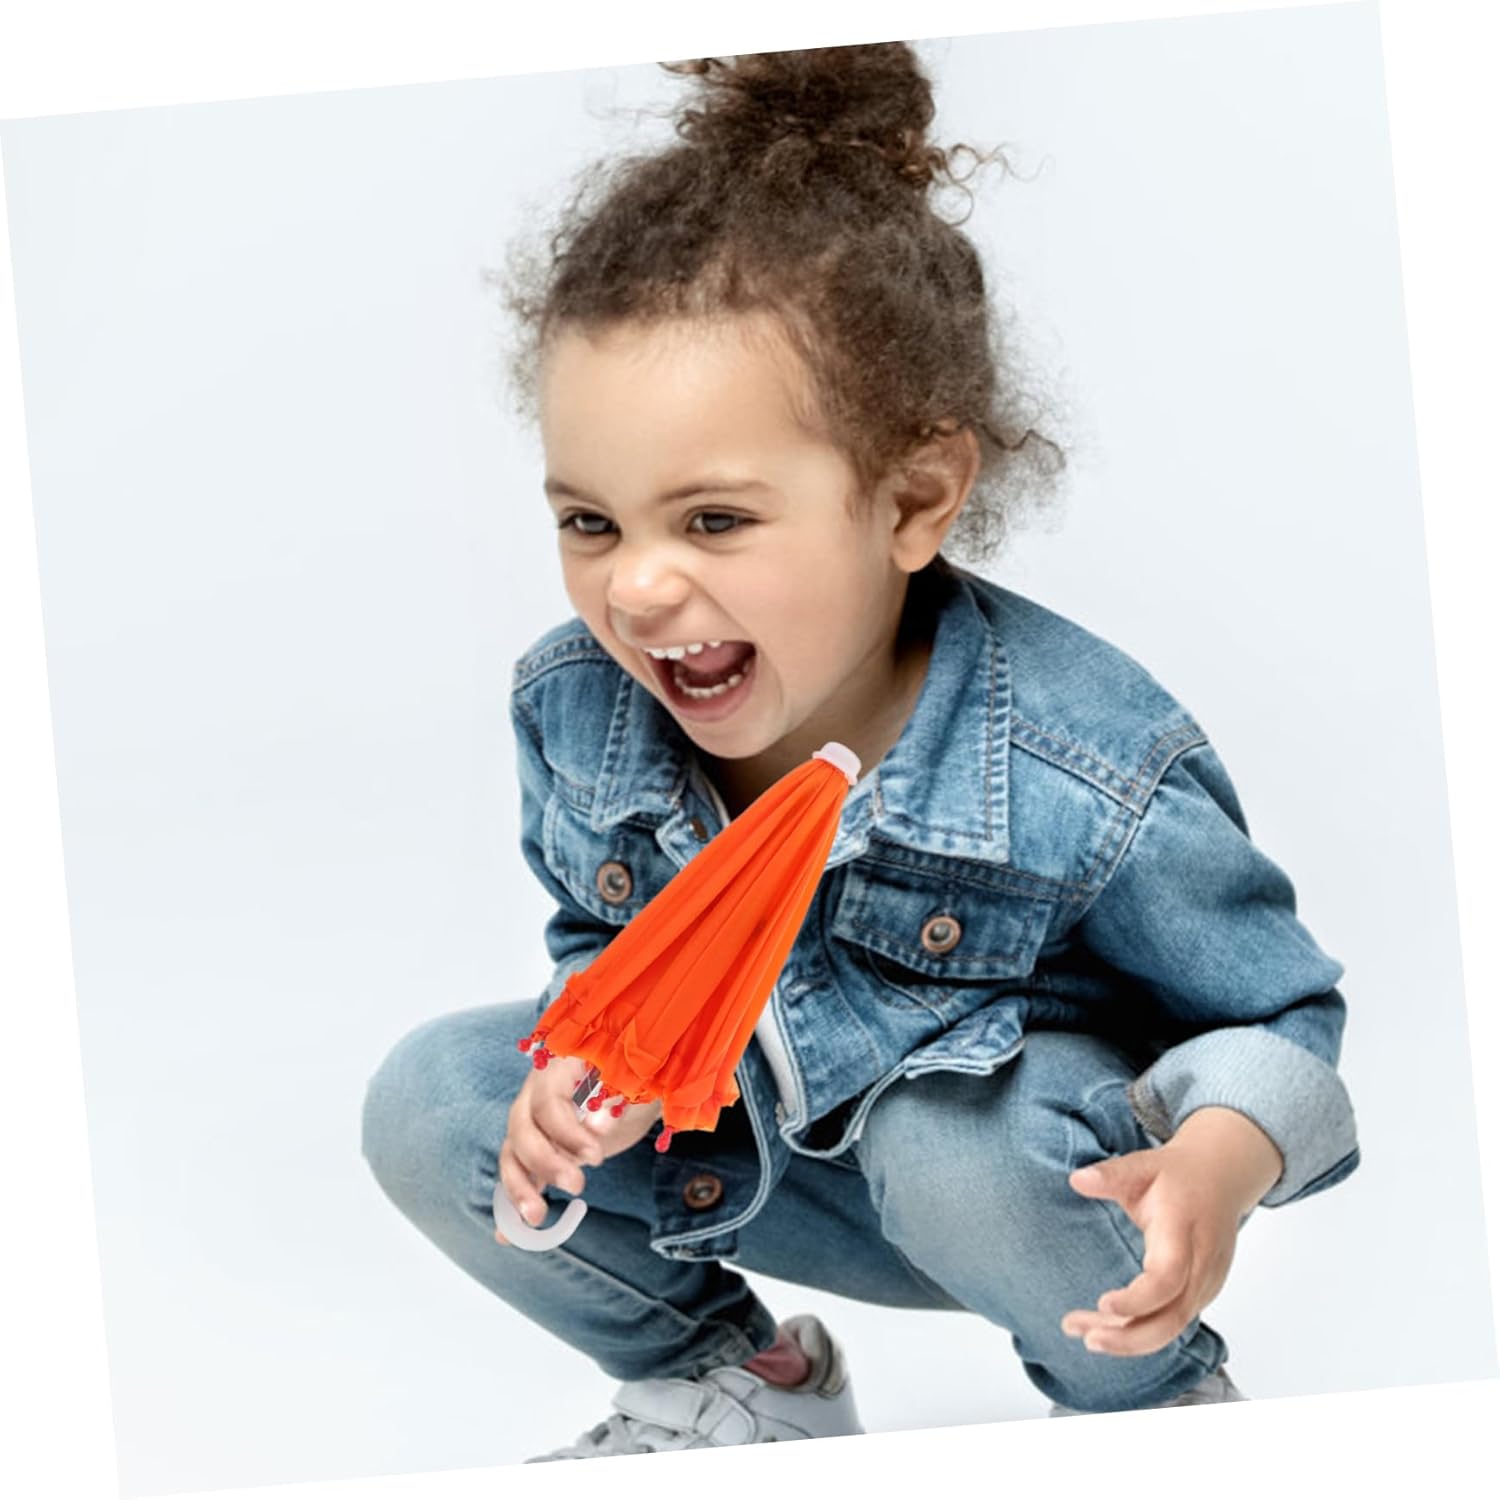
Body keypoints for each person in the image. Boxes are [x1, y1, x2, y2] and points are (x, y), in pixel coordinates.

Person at [361, 42, 1358, 1460]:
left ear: (912, 499)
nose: (634, 587)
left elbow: (1283, 1022)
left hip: (1033, 1197)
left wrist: (1219, 1158)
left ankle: (1153, 1410)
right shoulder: (578, 707)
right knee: (433, 1096)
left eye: (713, 521)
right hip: (747, 1165)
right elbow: (602, 939)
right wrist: (583, 1071)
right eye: (591, 522)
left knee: (945, 1140)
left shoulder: (1085, 766)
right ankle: (741, 1383)